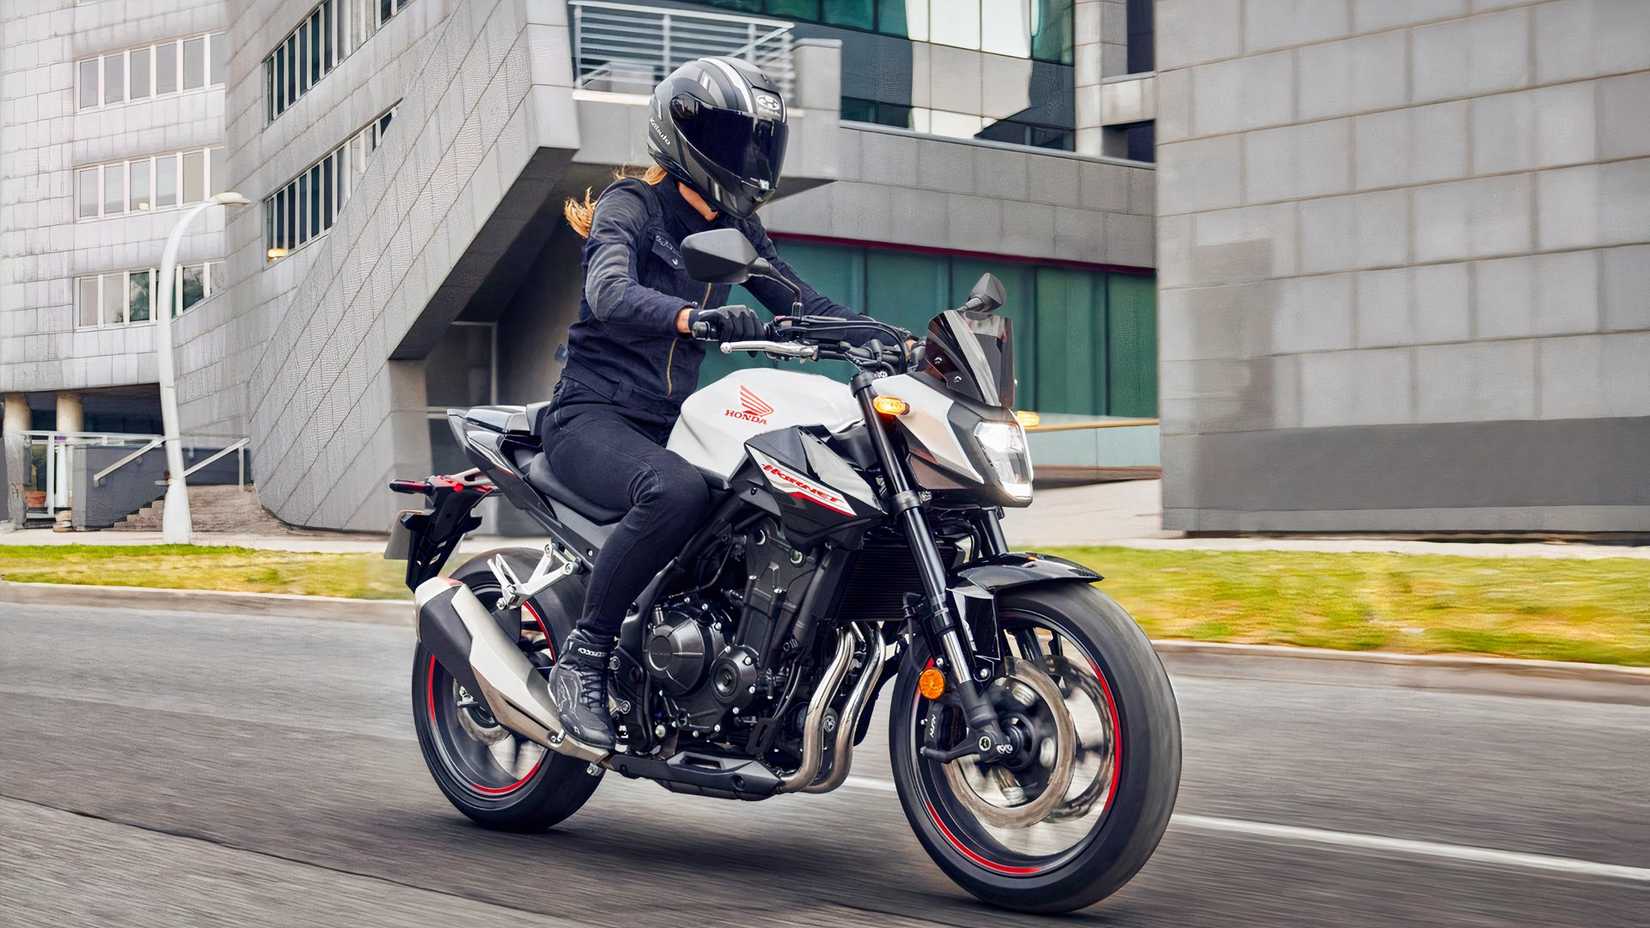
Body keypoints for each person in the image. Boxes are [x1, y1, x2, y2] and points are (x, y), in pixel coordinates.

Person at [541, 57, 881, 750]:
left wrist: (891, 341)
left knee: (754, 504)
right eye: (733, 139)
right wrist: (692, 320)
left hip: (670, 422)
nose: (748, 156)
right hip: (590, 415)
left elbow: (802, 303)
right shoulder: (631, 205)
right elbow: (608, 293)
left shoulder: (738, 232)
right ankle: (584, 658)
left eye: (756, 139)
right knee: (675, 493)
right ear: (682, 136)